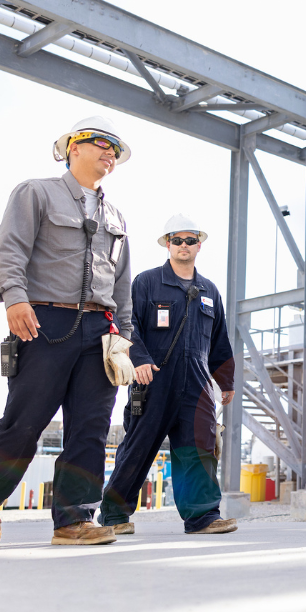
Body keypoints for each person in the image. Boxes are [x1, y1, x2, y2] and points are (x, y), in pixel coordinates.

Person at [0, 116, 136, 546]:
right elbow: (10, 247)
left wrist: (127, 339)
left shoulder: (116, 216)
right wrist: (13, 297)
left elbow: (122, 283)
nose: (109, 151)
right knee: (27, 420)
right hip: (44, 320)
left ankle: (74, 520)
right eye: (101, 142)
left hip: (101, 328)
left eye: (115, 148)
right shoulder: (35, 193)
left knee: (91, 428)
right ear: (72, 147)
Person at [99, 214, 237, 535]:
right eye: (178, 240)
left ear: (199, 245)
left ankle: (203, 517)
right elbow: (126, 324)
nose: (184, 246)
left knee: (198, 449)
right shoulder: (147, 283)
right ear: (168, 244)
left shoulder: (209, 291)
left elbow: (220, 339)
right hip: (152, 382)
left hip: (197, 384)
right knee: (138, 447)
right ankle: (114, 516)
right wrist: (140, 360)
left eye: (190, 240)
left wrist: (226, 380)